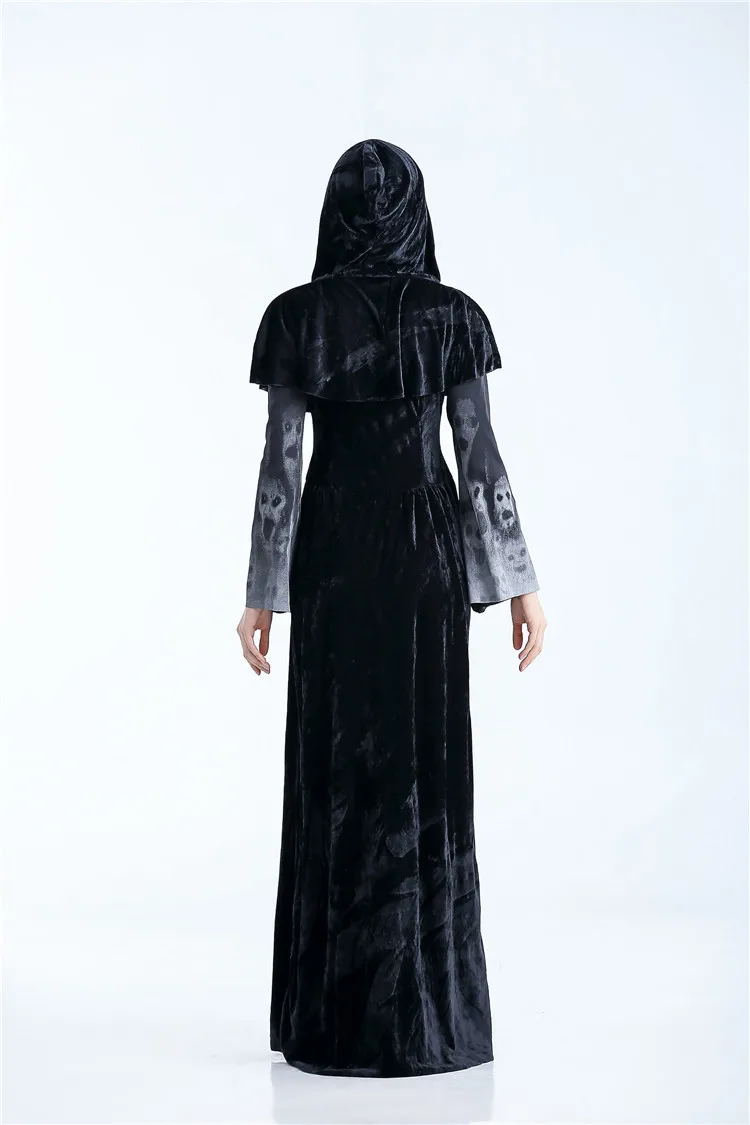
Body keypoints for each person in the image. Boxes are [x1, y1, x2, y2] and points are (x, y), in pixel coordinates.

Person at [237, 139, 547, 1078]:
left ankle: (333, 1018)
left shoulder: (296, 318)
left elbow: (283, 465)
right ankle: (428, 1013)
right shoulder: (453, 317)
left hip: (334, 551)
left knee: (337, 770)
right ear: (417, 210)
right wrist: (520, 580)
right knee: (424, 767)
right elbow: (477, 454)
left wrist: (262, 591)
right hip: (423, 554)